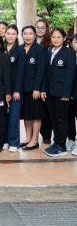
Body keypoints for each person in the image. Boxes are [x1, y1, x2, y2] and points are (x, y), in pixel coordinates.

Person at [41, 28, 75, 157]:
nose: (55, 39)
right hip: (50, 92)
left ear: (65, 38)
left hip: (62, 94)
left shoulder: (69, 53)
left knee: (61, 120)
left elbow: (70, 75)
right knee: (53, 119)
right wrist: (44, 89)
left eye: (58, 37)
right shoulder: (50, 51)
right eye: (53, 37)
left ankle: (61, 146)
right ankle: (56, 143)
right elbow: (46, 73)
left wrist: (66, 94)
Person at [20, 26, 46, 151]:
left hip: (34, 89)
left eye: (31, 33)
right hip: (22, 89)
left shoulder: (40, 49)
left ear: (35, 35)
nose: (28, 36)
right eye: (25, 33)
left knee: (36, 115)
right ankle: (28, 138)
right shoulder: (19, 49)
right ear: (22, 35)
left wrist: (37, 88)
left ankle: (35, 140)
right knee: (26, 115)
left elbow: (41, 70)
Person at [4, 25, 25, 152]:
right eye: (8, 33)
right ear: (5, 35)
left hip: (16, 90)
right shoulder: (1, 49)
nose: (10, 36)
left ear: (17, 35)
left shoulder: (20, 50)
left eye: (13, 34)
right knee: (3, 116)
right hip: (3, 89)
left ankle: (14, 142)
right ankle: (5, 140)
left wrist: (17, 90)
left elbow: (21, 72)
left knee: (13, 116)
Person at [35, 19, 53, 145]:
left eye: (43, 27)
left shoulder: (50, 45)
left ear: (47, 29)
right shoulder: (29, 42)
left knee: (47, 111)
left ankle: (47, 135)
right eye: (38, 27)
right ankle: (41, 134)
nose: (40, 29)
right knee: (38, 111)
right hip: (33, 81)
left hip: (46, 82)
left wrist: (43, 87)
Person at [69, 34, 77, 156]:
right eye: (76, 42)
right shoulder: (69, 55)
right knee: (69, 117)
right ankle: (71, 139)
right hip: (69, 92)